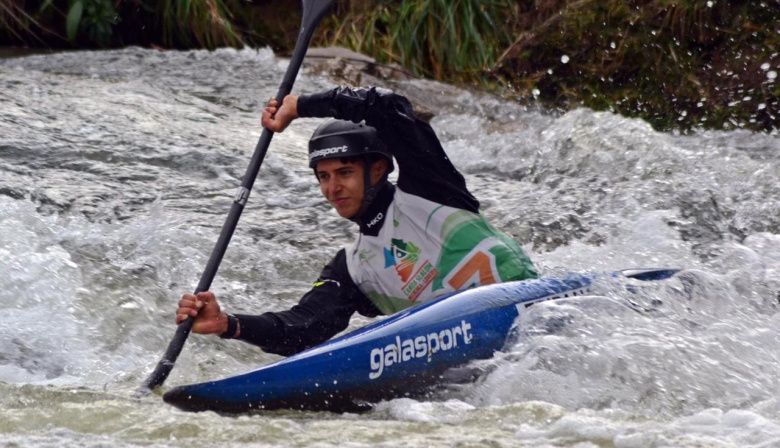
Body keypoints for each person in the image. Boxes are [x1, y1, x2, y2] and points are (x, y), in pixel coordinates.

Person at [176, 86, 538, 356]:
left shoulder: (431, 187)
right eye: (323, 176)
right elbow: (302, 327)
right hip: (475, 364)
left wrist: (301, 106)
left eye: (344, 172)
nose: (333, 188)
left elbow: (387, 106)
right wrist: (228, 324)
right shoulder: (353, 268)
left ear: (378, 168)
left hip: (535, 323)